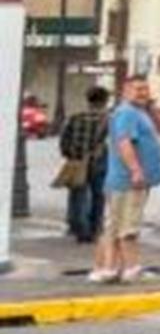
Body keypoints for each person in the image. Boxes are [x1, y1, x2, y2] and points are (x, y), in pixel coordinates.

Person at [93, 75, 160, 284]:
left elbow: (143, 144)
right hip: (127, 180)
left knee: (116, 224)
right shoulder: (127, 112)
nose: (143, 93)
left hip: (131, 179)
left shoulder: (137, 112)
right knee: (127, 226)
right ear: (125, 91)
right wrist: (136, 170)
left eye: (145, 89)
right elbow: (124, 142)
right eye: (138, 89)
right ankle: (130, 268)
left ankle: (108, 268)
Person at [56, 85, 110, 245]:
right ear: (105, 101)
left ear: (88, 100)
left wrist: (70, 154)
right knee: (98, 195)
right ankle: (95, 229)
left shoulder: (75, 117)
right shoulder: (108, 119)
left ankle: (80, 229)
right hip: (99, 161)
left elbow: (64, 139)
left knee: (78, 195)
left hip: (76, 160)